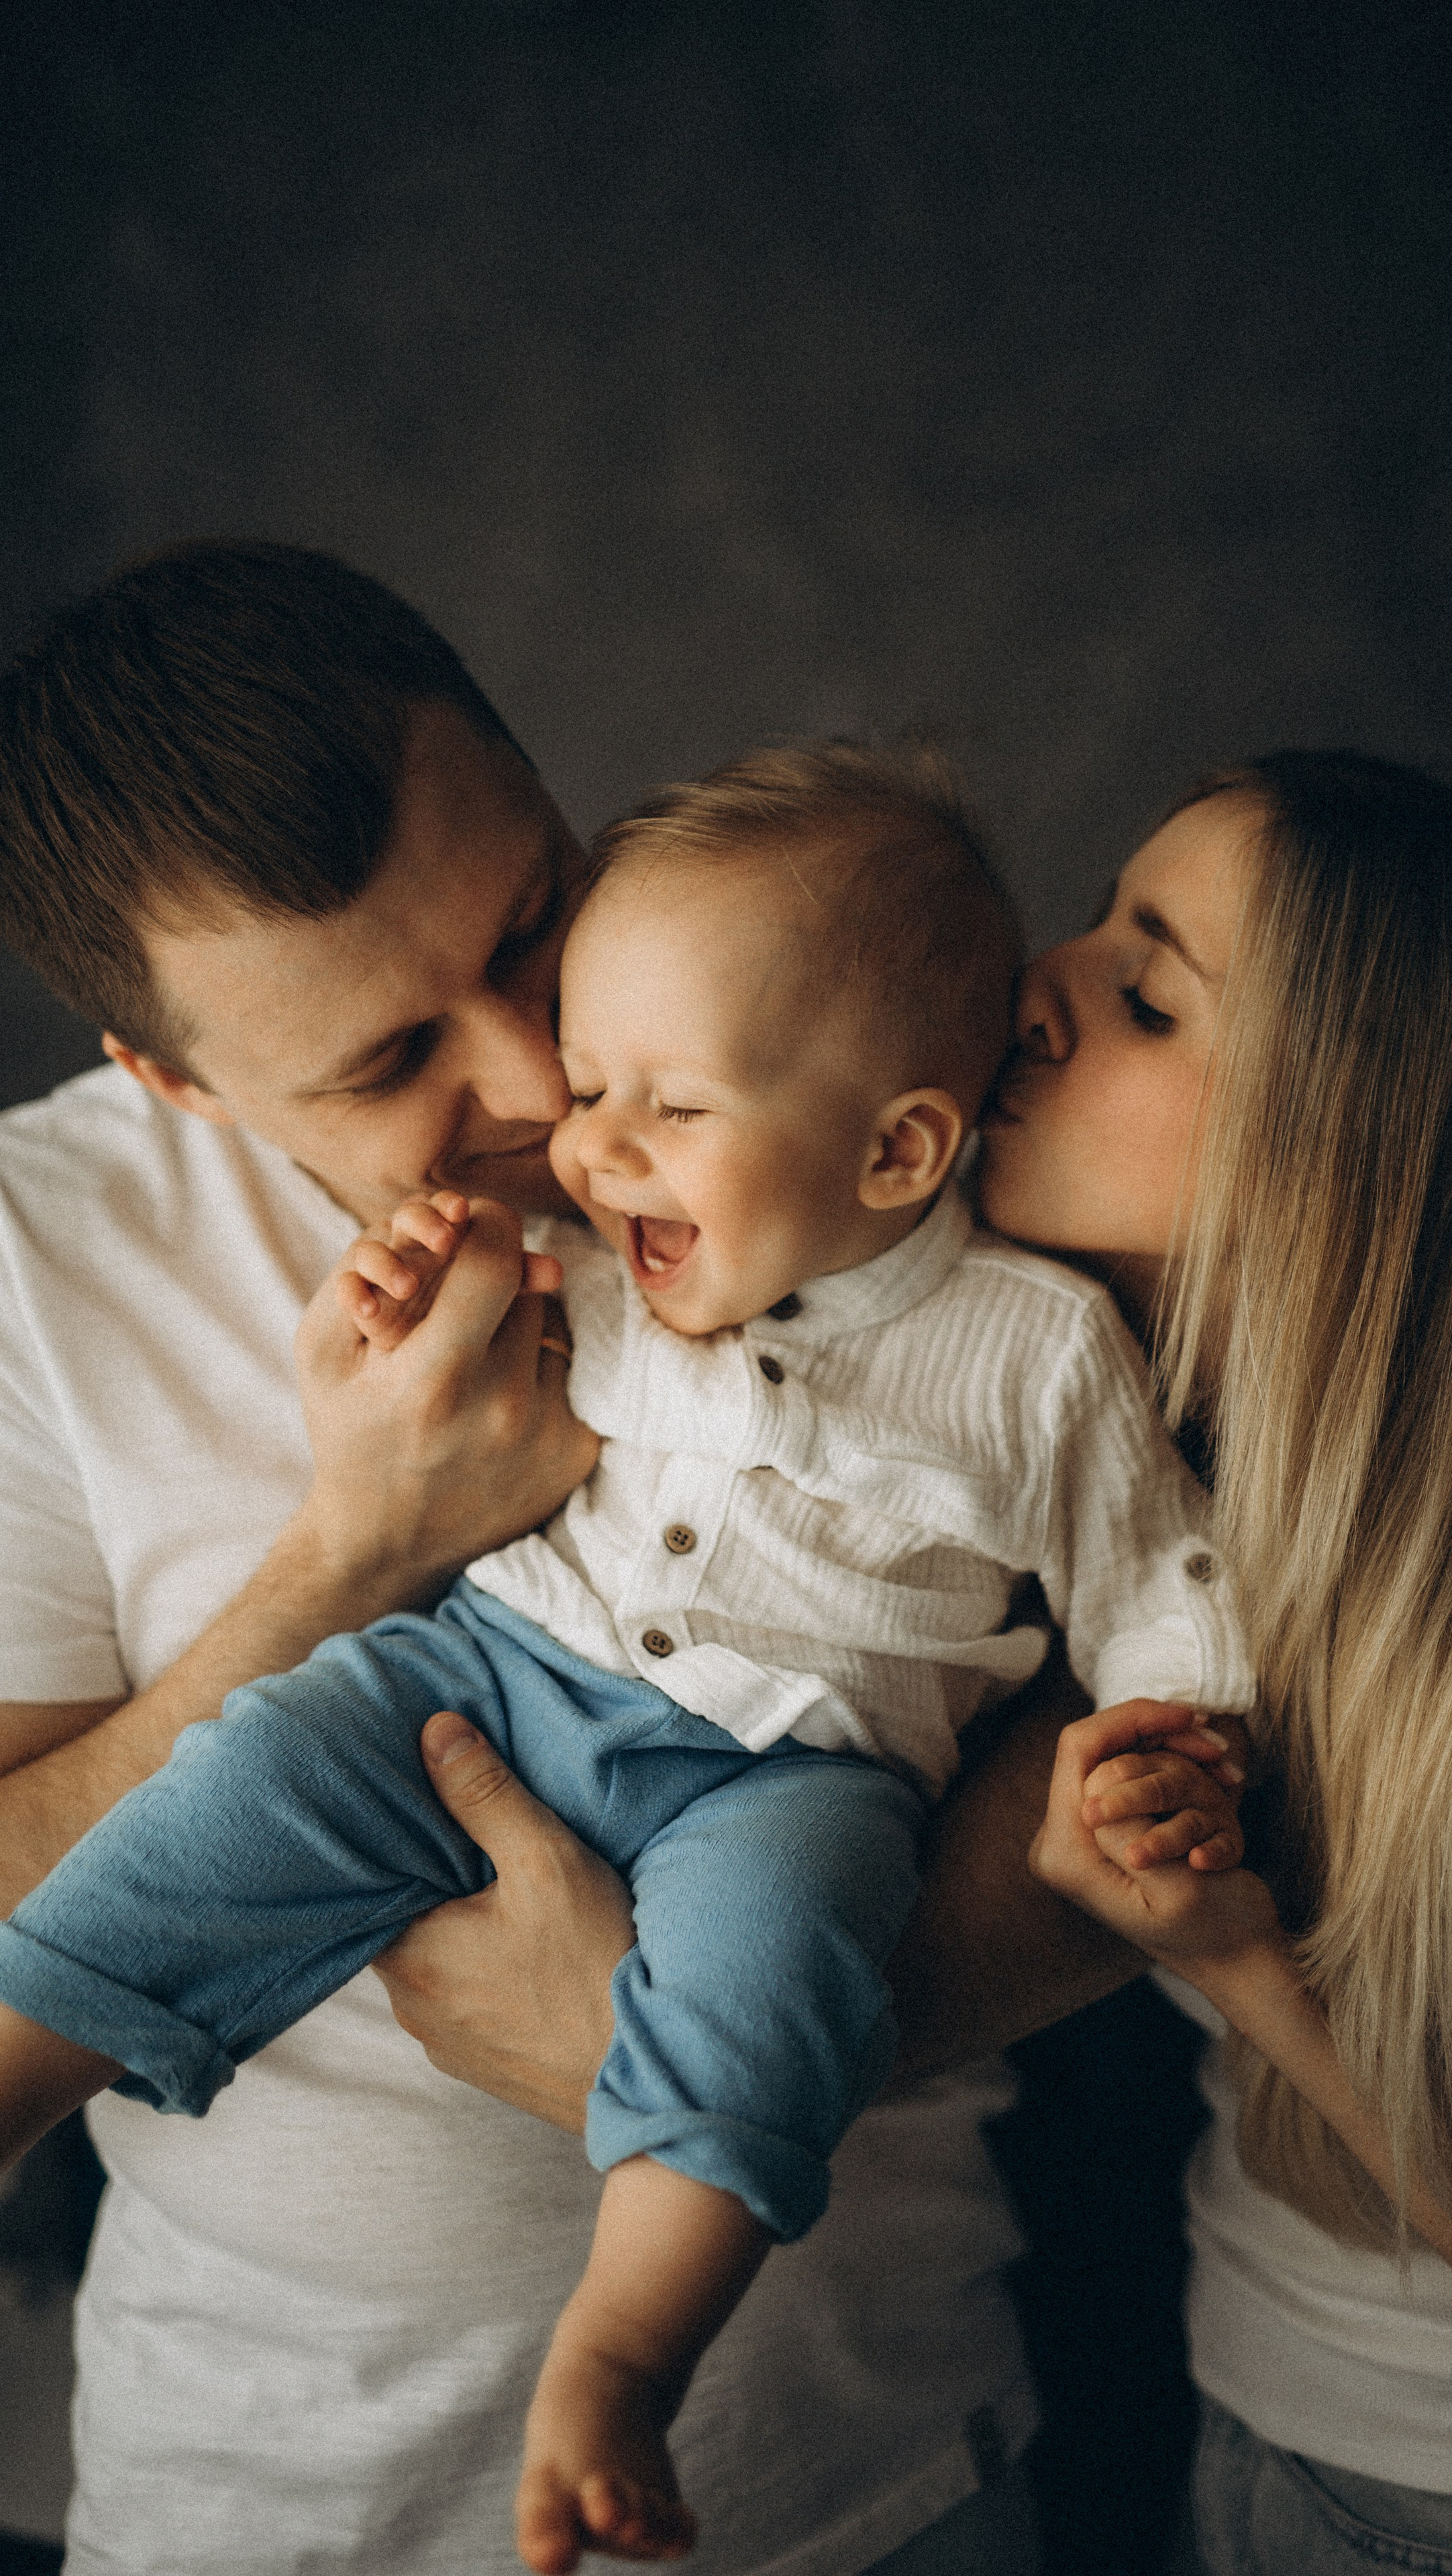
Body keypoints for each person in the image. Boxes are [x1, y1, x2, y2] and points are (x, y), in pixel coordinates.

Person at [0, 541, 1147, 2576]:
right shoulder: (33, 1260)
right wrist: (358, 1552)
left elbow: (1199, 1738)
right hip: (268, 2503)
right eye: (386, 1064)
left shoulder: (863, 1052)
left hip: (865, 2463)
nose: (546, 1090)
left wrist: (716, 2039)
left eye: (530, 919)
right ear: (168, 1077)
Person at [1004, 754, 1452, 2571]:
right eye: (1092, 925)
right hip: (1241, 2431)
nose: (1036, 986)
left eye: (1149, 996)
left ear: (1350, 1158)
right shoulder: (1161, 1527)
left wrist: (1247, 1969)